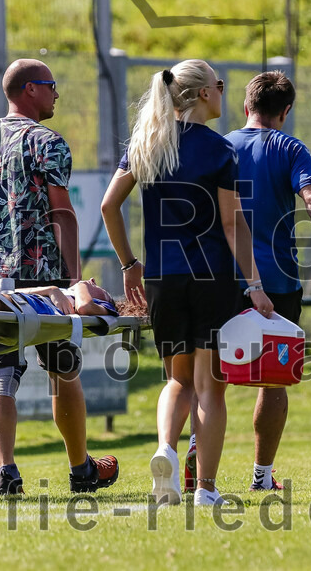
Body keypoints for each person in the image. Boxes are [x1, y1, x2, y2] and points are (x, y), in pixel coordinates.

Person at [100, 59, 273, 506]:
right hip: (211, 278)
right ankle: (207, 490)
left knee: (177, 380)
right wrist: (254, 285)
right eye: (219, 83)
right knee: (210, 386)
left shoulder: (146, 144)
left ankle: (165, 449)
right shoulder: (220, 149)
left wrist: (129, 264)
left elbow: (108, 206)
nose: (223, 90)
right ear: (203, 93)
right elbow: (232, 224)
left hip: (162, 279)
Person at [0, 58, 119, 496]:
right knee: (64, 370)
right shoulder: (47, 142)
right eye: (51, 84)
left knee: (1, 374)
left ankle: (6, 472)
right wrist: (75, 281)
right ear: (30, 89)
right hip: (44, 280)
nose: (57, 93)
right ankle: (81, 469)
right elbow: (61, 212)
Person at [222, 70, 311, 492]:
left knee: (209, 379)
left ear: (246, 106)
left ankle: (198, 464)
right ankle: (262, 477)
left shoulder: (221, 146)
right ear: (286, 111)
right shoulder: (290, 148)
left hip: (223, 277)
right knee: (273, 380)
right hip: (276, 282)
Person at [0, 278, 119, 318]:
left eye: (101, 289)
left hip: (32, 307)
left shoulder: (105, 307)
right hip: (16, 297)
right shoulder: (65, 293)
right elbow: (13, 291)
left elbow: (85, 307)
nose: (93, 281)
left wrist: (82, 285)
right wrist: (50, 290)